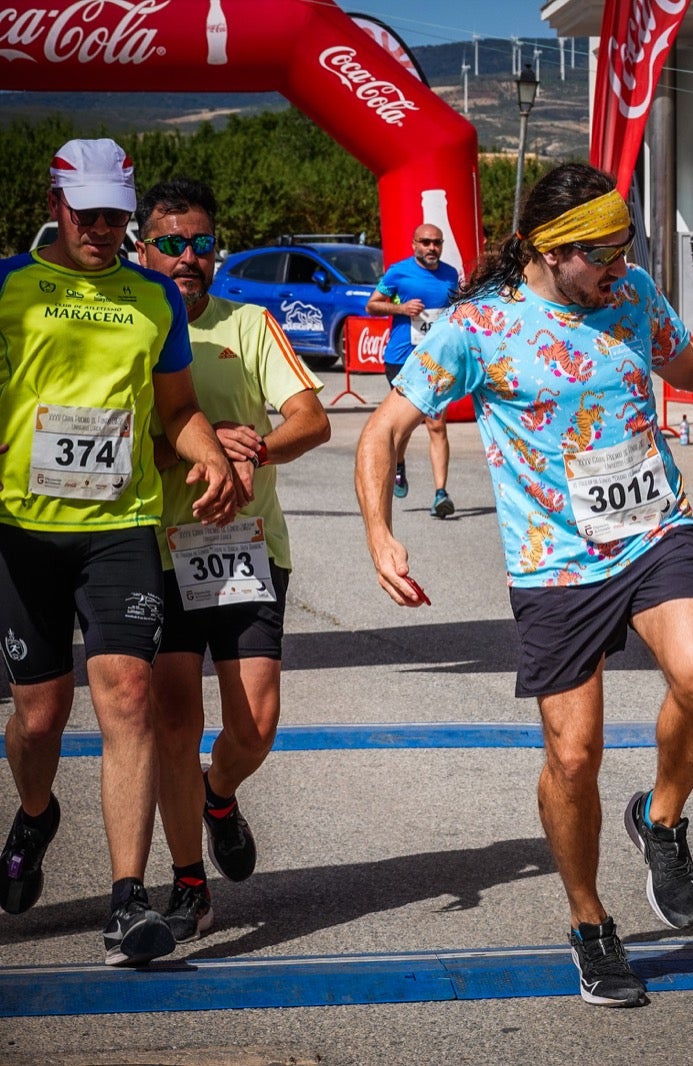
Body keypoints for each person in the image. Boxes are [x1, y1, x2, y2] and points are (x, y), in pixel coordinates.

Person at [354, 163, 693, 1008]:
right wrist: (379, 532)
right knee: (574, 756)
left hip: (655, 530)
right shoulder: (475, 329)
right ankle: (589, 919)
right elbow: (383, 431)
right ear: (546, 251)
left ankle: (660, 818)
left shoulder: (629, 296)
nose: (618, 270)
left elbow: (690, 368)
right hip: (556, 566)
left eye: (626, 252)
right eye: (601, 257)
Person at [0, 139, 243, 967]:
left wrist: (206, 450)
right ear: (58, 202)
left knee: (130, 697)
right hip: (23, 533)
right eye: (87, 213)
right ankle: (35, 815)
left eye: (115, 215)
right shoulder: (8, 286)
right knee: (39, 715)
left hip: (120, 527)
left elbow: (175, 410)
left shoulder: (152, 299)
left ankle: (127, 900)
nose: (102, 228)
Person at [135, 177, 331, 943]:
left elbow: (309, 419)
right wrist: (202, 449)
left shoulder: (248, 323)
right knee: (174, 721)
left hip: (246, 546)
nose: (189, 257)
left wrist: (254, 457)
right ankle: (188, 882)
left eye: (203, 244)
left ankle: (220, 795)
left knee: (255, 726)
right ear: (142, 248)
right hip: (155, 546)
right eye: (173, 244)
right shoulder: (129, 327)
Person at [366, 224, 460, 517]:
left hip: (435, 362)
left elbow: (454, 309)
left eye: (437, 243)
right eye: (426, 242)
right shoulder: (398, 272)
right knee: (405, 423)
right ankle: (399, 463)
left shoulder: (450, 274)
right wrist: (401, 309)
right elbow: (372, 305)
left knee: (436, 424)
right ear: (414, 244)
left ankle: (440, 494)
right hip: (402, 359)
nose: (432, 248)